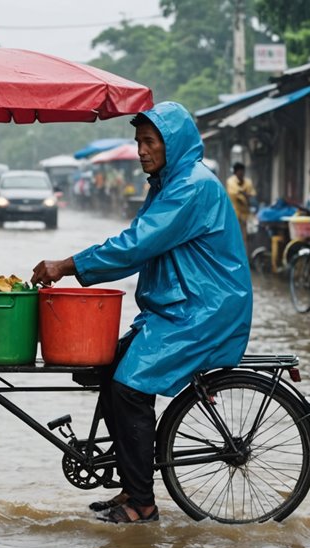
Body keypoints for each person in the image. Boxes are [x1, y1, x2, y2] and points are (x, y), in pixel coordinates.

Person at [30, 102, 252, 525]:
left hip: (203, 311)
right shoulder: (167, 185)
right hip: (175, 310)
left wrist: (67, 265)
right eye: (138, 141)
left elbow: (135, 246)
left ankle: (143, 504)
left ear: (173, 144)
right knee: (111, 369)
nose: (141, 150)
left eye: (150, 142)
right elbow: (133, 241)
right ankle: (133, 483)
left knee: (130, 388)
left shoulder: (191, 187)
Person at [225, 162, 256, 250]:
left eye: (243, 171)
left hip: (246, 215)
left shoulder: (248, 182)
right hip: (234, 214)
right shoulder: (231, 181)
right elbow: (235, 193)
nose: (241, 173)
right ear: (235, 172)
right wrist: (245, 194)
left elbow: (252, 194)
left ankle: (246, 259)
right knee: (234, 237)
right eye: (239, 171)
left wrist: (246, 195)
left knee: (245, 238)